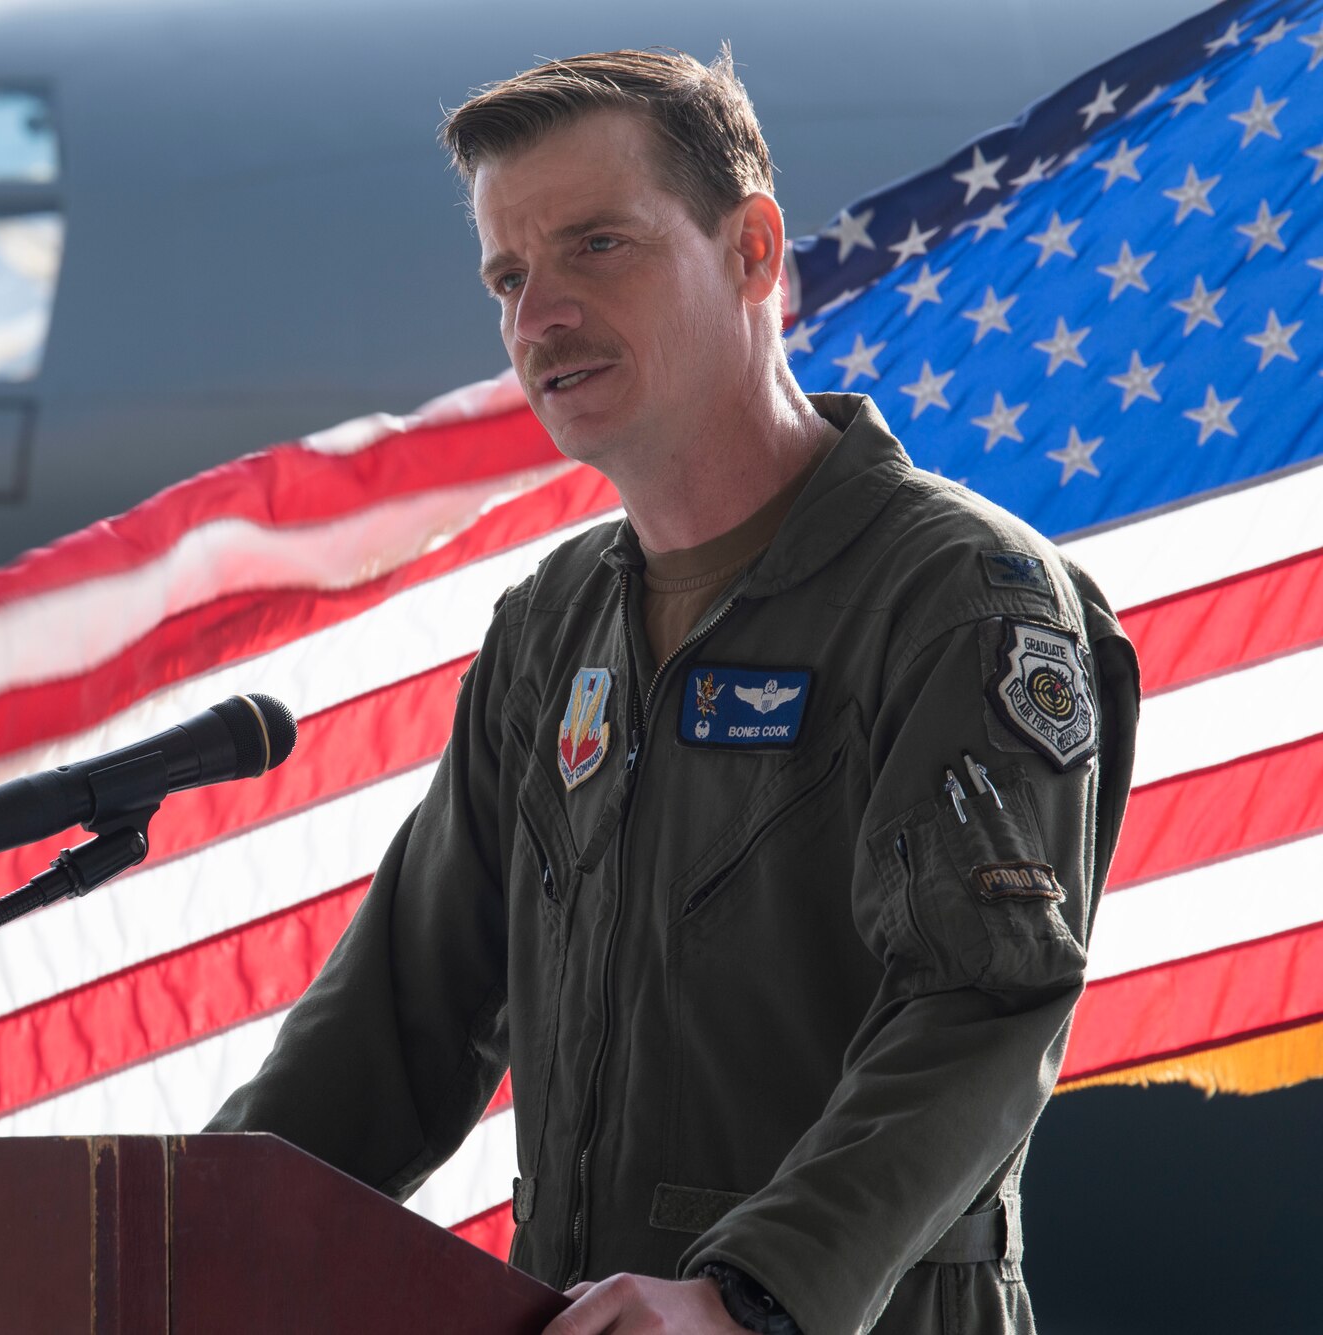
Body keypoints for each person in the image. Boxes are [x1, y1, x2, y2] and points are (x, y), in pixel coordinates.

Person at [206, 46, 1139, 1335]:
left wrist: (746, 1298)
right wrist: (179, 1243)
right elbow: (395, 1028)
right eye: (510, 277)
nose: (541, 317)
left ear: (753, 251)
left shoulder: (963, 599)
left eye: (598, 247)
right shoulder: (547, 632)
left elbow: (980, 1012)